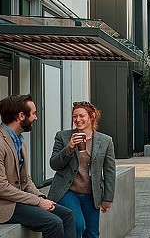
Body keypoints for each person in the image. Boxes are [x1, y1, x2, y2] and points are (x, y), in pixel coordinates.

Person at [0, 94, 75, 238]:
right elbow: (0, 188)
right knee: (53, 222)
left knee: (67, 214)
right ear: (21, 116)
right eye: (33, 113)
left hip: (12, 200)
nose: (36, 117)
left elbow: (25, 180)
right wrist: (38, 201)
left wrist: (40, 196)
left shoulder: (19, 141)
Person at [49, 101, 116, 238]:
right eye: (74, 116)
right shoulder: (63, 136)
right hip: (67, 191)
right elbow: (54, 164)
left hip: (91, 194)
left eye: (81, 116)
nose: (77, 120)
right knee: (77, 224)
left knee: (92, 233)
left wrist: (107, 198)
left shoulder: (105, 141)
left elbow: (109, 171)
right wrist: (69, 148)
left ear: (91, 116)